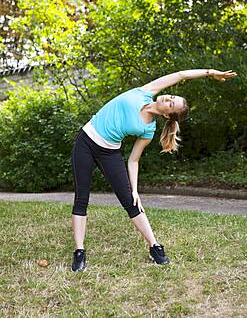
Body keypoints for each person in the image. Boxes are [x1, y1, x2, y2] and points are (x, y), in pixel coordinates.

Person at [71, 68, 236, 271]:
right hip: (86, 141)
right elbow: (181, 75)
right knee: (81, 197)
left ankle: (155, 246)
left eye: (171, 103)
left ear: (167, 114)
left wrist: (135, 189)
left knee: (131, 202)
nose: (168, 98)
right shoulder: (145, 91)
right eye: (171, 97)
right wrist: (210, 73)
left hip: (110, 152)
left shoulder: (148, 129)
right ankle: (79, 253)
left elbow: (133, 160)